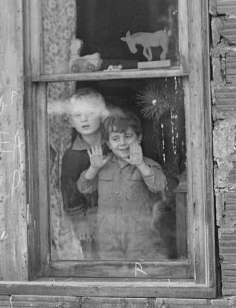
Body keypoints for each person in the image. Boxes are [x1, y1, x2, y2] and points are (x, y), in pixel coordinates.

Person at [77, 108, 167, 259]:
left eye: (128, 136)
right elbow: (83, 187)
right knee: (112, 274)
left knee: (139, 276)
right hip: (107, 236)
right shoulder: (101, 164)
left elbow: (159, 185)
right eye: (116, 138)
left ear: (139, 138)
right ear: (108, 143)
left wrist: (140, 164)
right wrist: (93, 168)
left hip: (139, 236)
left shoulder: (147, 164)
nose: (122, 143)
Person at [59, 89, 108, 258]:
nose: (84, 119)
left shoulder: (112, 145)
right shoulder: (72, 156)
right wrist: (80, 222)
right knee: (94, 257)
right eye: (78, 115)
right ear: (71, 121)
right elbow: (70, 192)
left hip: (114, 213)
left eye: (90, 113)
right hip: (90, 217)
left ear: (102, 115)